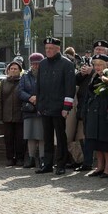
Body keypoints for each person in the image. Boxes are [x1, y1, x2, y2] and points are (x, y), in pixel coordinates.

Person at [35, 37, 77, 175]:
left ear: (58, 49)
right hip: (45, 106)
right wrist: (39, 105)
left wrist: (66, 107)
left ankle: (61, 164)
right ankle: (47, 164)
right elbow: (39, 86)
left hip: (59, 107)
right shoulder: (43, 64)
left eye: (51, 48)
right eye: (46, 48)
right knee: (47, 137)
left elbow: (69, 87)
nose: (48, 51)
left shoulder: (67, 64)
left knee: (60, 137)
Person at [79, 54, 108, 178]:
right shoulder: (94, 78)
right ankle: (99, 167)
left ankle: (107, 169)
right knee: (96, 143)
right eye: (95, 64)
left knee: (106, 143)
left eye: (100, 64)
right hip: (93, 114)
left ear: (106, 65)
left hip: (105, 113)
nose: (97, 67)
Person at [0, 59, 25, 167]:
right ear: (8, 70)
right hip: (7, 115)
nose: (13, 70)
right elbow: (0, 100)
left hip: (19, 114)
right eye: (11, 69)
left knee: (20, 138)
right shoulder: (4, 82)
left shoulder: (23, 81)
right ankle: (9, 158)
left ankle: (20, 158)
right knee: (8, 138)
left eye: (15, 69)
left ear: (19, 70)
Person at [19, 53, 45, 168]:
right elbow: (20, 91)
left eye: (38, 64)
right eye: (33, 64)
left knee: (42, 135)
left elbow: (50, 89)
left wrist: (38, 97)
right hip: (29, 110)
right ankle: (31, 158)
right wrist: (30, 98)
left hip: (42, 109)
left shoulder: (46, 75)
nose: (36, 66)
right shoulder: (25, 76)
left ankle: (43, 158)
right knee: (30, 135)